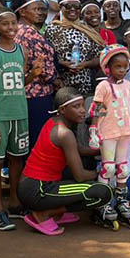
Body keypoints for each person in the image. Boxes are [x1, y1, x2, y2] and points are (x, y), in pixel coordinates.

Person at [18, 88, 115, 235]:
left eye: (83, 105)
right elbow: (80, 176)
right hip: (39, 190)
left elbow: (78, 150)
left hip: (29, 185)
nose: (83, 110)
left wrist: (105, 148)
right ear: (62, 110)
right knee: (104, 192)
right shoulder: (64, 134)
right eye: (76, 107)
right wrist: (101, 172)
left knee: (86, 164)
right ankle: (46, 213)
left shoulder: (54, 122)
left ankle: (56, 211)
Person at [0, 8, 31, 231]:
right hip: (0, 115)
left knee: (16, 159)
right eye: (5, 24)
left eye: (14, 23)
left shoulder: (22, 50)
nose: (11, 28)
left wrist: (33, 76)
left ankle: (14, 202)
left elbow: (20, 81)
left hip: (20, 112)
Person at [90, 45, 130, 227]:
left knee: (123, 168)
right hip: (108, 133)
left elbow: (128, 108)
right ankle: (103, 202)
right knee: (108, 168)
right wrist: (94, 129)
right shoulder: (104, 86)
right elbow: (97, 109)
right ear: (108, 68)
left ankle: (121, 200)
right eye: (118, 67)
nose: (123, 70)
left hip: (124, 132)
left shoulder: (128, 85)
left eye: (125, 67)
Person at [11, 0, 56, 147]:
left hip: (29, 94)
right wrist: (57, 81)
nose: (42, 13)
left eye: (44, 10)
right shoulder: (28, 33)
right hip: (36, 94)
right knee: (37, 139)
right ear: (22, 12)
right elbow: (42, 67)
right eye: (37, 9)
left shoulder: (26, 31)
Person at [45, 0, 104, 97]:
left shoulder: (87, 29)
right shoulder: (52, 28)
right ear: (60, 8)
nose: (72, 9)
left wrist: (86, 64)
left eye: (76, 6)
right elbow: (46, 57)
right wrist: (62, 63)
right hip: (60, 87)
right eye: (68, 6)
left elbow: (99, 57)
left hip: (85, 88)